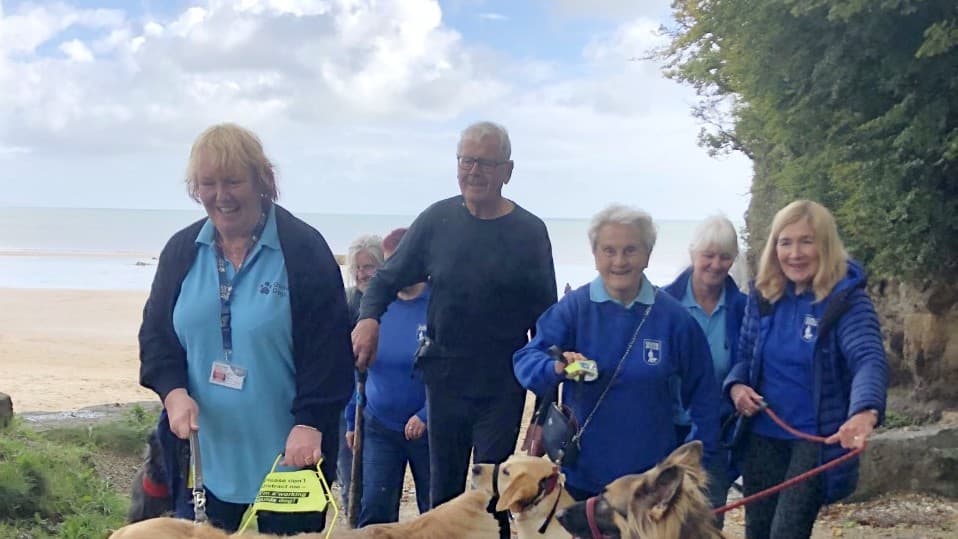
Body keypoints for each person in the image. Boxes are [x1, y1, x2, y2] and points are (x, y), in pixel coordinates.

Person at [138, 123, 353, 533]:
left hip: (288, 459)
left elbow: (331, 352)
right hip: (206, 459)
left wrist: (310, 422)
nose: (221, 196)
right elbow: (156, 338)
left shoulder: (304, 249)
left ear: (262, 180)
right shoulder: (182, 251)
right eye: (208, 183)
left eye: (233, 181)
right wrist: (173, 391)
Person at [352, 121, 557, 539]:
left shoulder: (530, 232)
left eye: (485, 162)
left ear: (508, 170)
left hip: (501, 384)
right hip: (444, 380)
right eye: (466, 160)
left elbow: (548, 327)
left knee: (492, 498)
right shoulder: (437, 220)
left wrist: (543, 411)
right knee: (442, 497)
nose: (473, 170)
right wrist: (368, 319)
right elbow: (386, 279)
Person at [513, 204, 721, 501]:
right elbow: (525, 361)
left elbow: (704, 394)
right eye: (609, 250)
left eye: (630, 250)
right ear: (595, 255)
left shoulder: (674, 318)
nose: (619, 261)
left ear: (648, 255)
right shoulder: (575, 308)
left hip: (649, 485)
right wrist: (557, 368)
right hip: (583, 479)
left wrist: (697, 461)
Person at [724, 200, 888, 539]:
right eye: (786, 242)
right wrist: (737, 387)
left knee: (786, 532)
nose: (794, 253)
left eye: (806, 241)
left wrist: (865, 412)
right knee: (757, 531)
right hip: (763, 436)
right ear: (774, 246)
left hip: (813, 440)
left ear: (825, 245)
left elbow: (867, 358)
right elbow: (744, 357)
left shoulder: (846, 300)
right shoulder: (764, 294)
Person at [662, 214, 747, 523]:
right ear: (693, 254)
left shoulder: (744, 309)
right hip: (664, 430)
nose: (715, 264)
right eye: (708, 255)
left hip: (716, 433)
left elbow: (749, 361)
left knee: (707, 522)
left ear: (734, 259)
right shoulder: (663, 303)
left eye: (725, 256)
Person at [344, 227, 430, 526]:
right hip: (379, 424)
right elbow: (357, 369)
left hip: (428, 428)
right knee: (375, 514)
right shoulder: (375, 305)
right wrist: (350, 419)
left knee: (433, 514)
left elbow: (455, 372)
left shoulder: (439, 305)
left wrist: (426, 415)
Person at [337, 234, 384, 512]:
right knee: (349, 475)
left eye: (368, 267)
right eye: (356, 268)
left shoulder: (392, 304)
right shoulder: (346, 302)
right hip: (348, 400)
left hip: (379, 400)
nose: (361, 274)